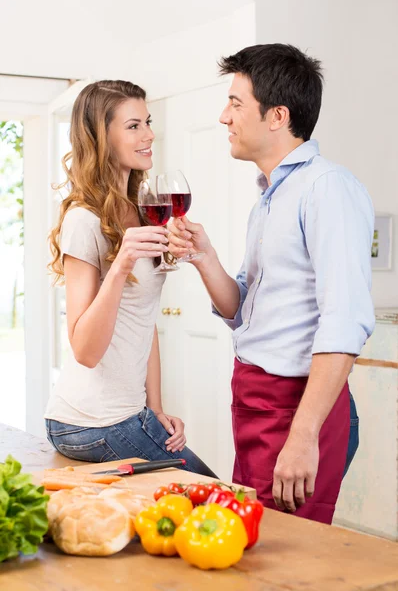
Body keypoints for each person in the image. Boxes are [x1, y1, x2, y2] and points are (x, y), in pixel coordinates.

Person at [168, 44, 374, 524]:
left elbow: (344, 324)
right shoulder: (270, 195)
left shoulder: (327, 188)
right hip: (255, 401)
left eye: (236, 103)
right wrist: (205, 258)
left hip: (294, 408)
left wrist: (302, 436)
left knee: (287, 559)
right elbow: (242, 309)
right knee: (252, 547)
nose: (224, 117)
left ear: (277, 116)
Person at [45, 79, 216, 478]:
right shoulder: (83, 220)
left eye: (148, 122)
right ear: (101, 137)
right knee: (217, 496)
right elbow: (85, 350)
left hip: (126, 414)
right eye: (134, 125)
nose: (149, 134)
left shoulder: (143, 211)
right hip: (88, 422)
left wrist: (154, 410)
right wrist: (120, 267)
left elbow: (144, 320)